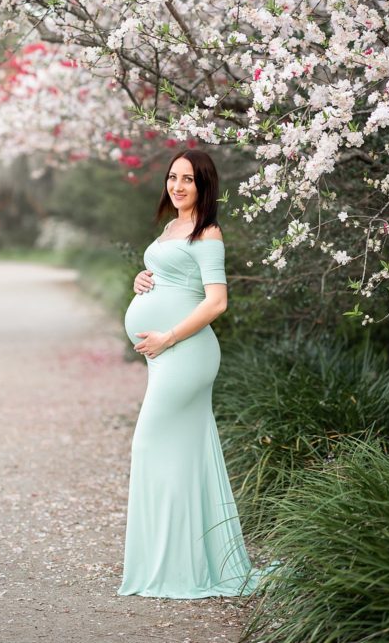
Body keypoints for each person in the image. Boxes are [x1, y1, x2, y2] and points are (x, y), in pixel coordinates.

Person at [118, 148, 271, 598]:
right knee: (179, 455)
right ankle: (177, 561)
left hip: (186, 353)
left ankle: (177, 566)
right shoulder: (172, 228)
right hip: (165, 354)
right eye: (172, 177)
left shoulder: (209, 233)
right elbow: (170, 276)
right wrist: (142, 281)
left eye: (188, 179)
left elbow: (216, 301)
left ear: (205, 185)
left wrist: (167, 337)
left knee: (149, 442)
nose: (177, 185)